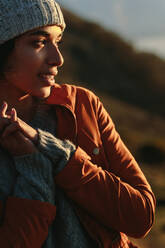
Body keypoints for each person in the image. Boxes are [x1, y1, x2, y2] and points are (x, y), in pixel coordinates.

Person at [0, 0, 155, 247]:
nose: (57, 58)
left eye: (57, 41)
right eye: (39, 43)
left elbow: (141, 216)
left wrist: (59, 154)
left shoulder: (82, 105)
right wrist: (31, 165)